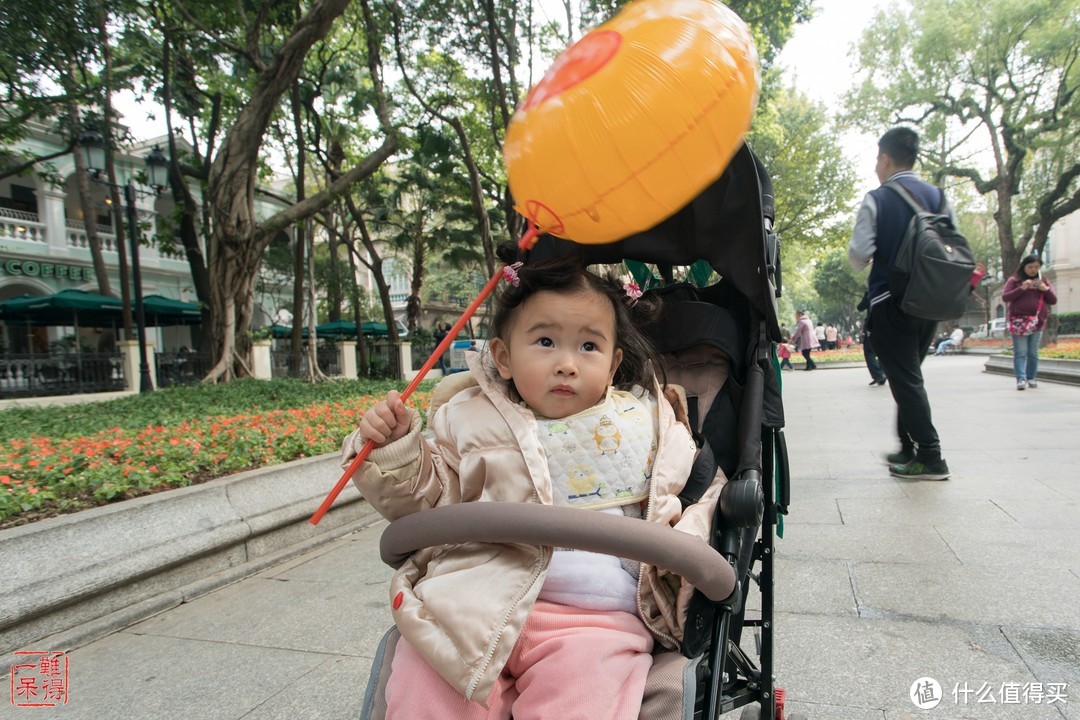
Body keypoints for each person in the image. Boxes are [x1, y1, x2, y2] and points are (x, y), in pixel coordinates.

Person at [340, 246, 722, 720]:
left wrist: (689, 547)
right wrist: (398, 449)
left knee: (581, 701)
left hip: (595, 618)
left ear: (613, 361)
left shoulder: (648, 423)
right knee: (424, 688)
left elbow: (693, 492)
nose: (567, 363)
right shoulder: (470, 419)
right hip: (471, 601)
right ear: (502, 357)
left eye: (589, 346)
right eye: (545, 342)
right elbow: (429, 500)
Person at [848, 127, 984, 481]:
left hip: (891, 302)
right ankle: (907, 447)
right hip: (929, 302)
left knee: (905, 379)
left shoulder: (877, 198)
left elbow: (859, 256)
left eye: (878, 159)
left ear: (886, 158)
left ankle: (931, 455)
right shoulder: (937, 197)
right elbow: (952, 241)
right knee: (908, 376)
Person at [1002, 254, 1057, 390]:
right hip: (1019, 322)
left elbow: (1053, 300)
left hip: (1037, 322)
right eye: (1030, 267)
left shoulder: (1043, 281)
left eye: (1036, 267)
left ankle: (1031, 378)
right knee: (1020, 352)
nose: (1033, 270)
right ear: (1024, 267)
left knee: (1033, 352)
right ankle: (1021, 379)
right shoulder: (1014, 281)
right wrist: (1021, 288)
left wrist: (1045, 290)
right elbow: (1005, 297)